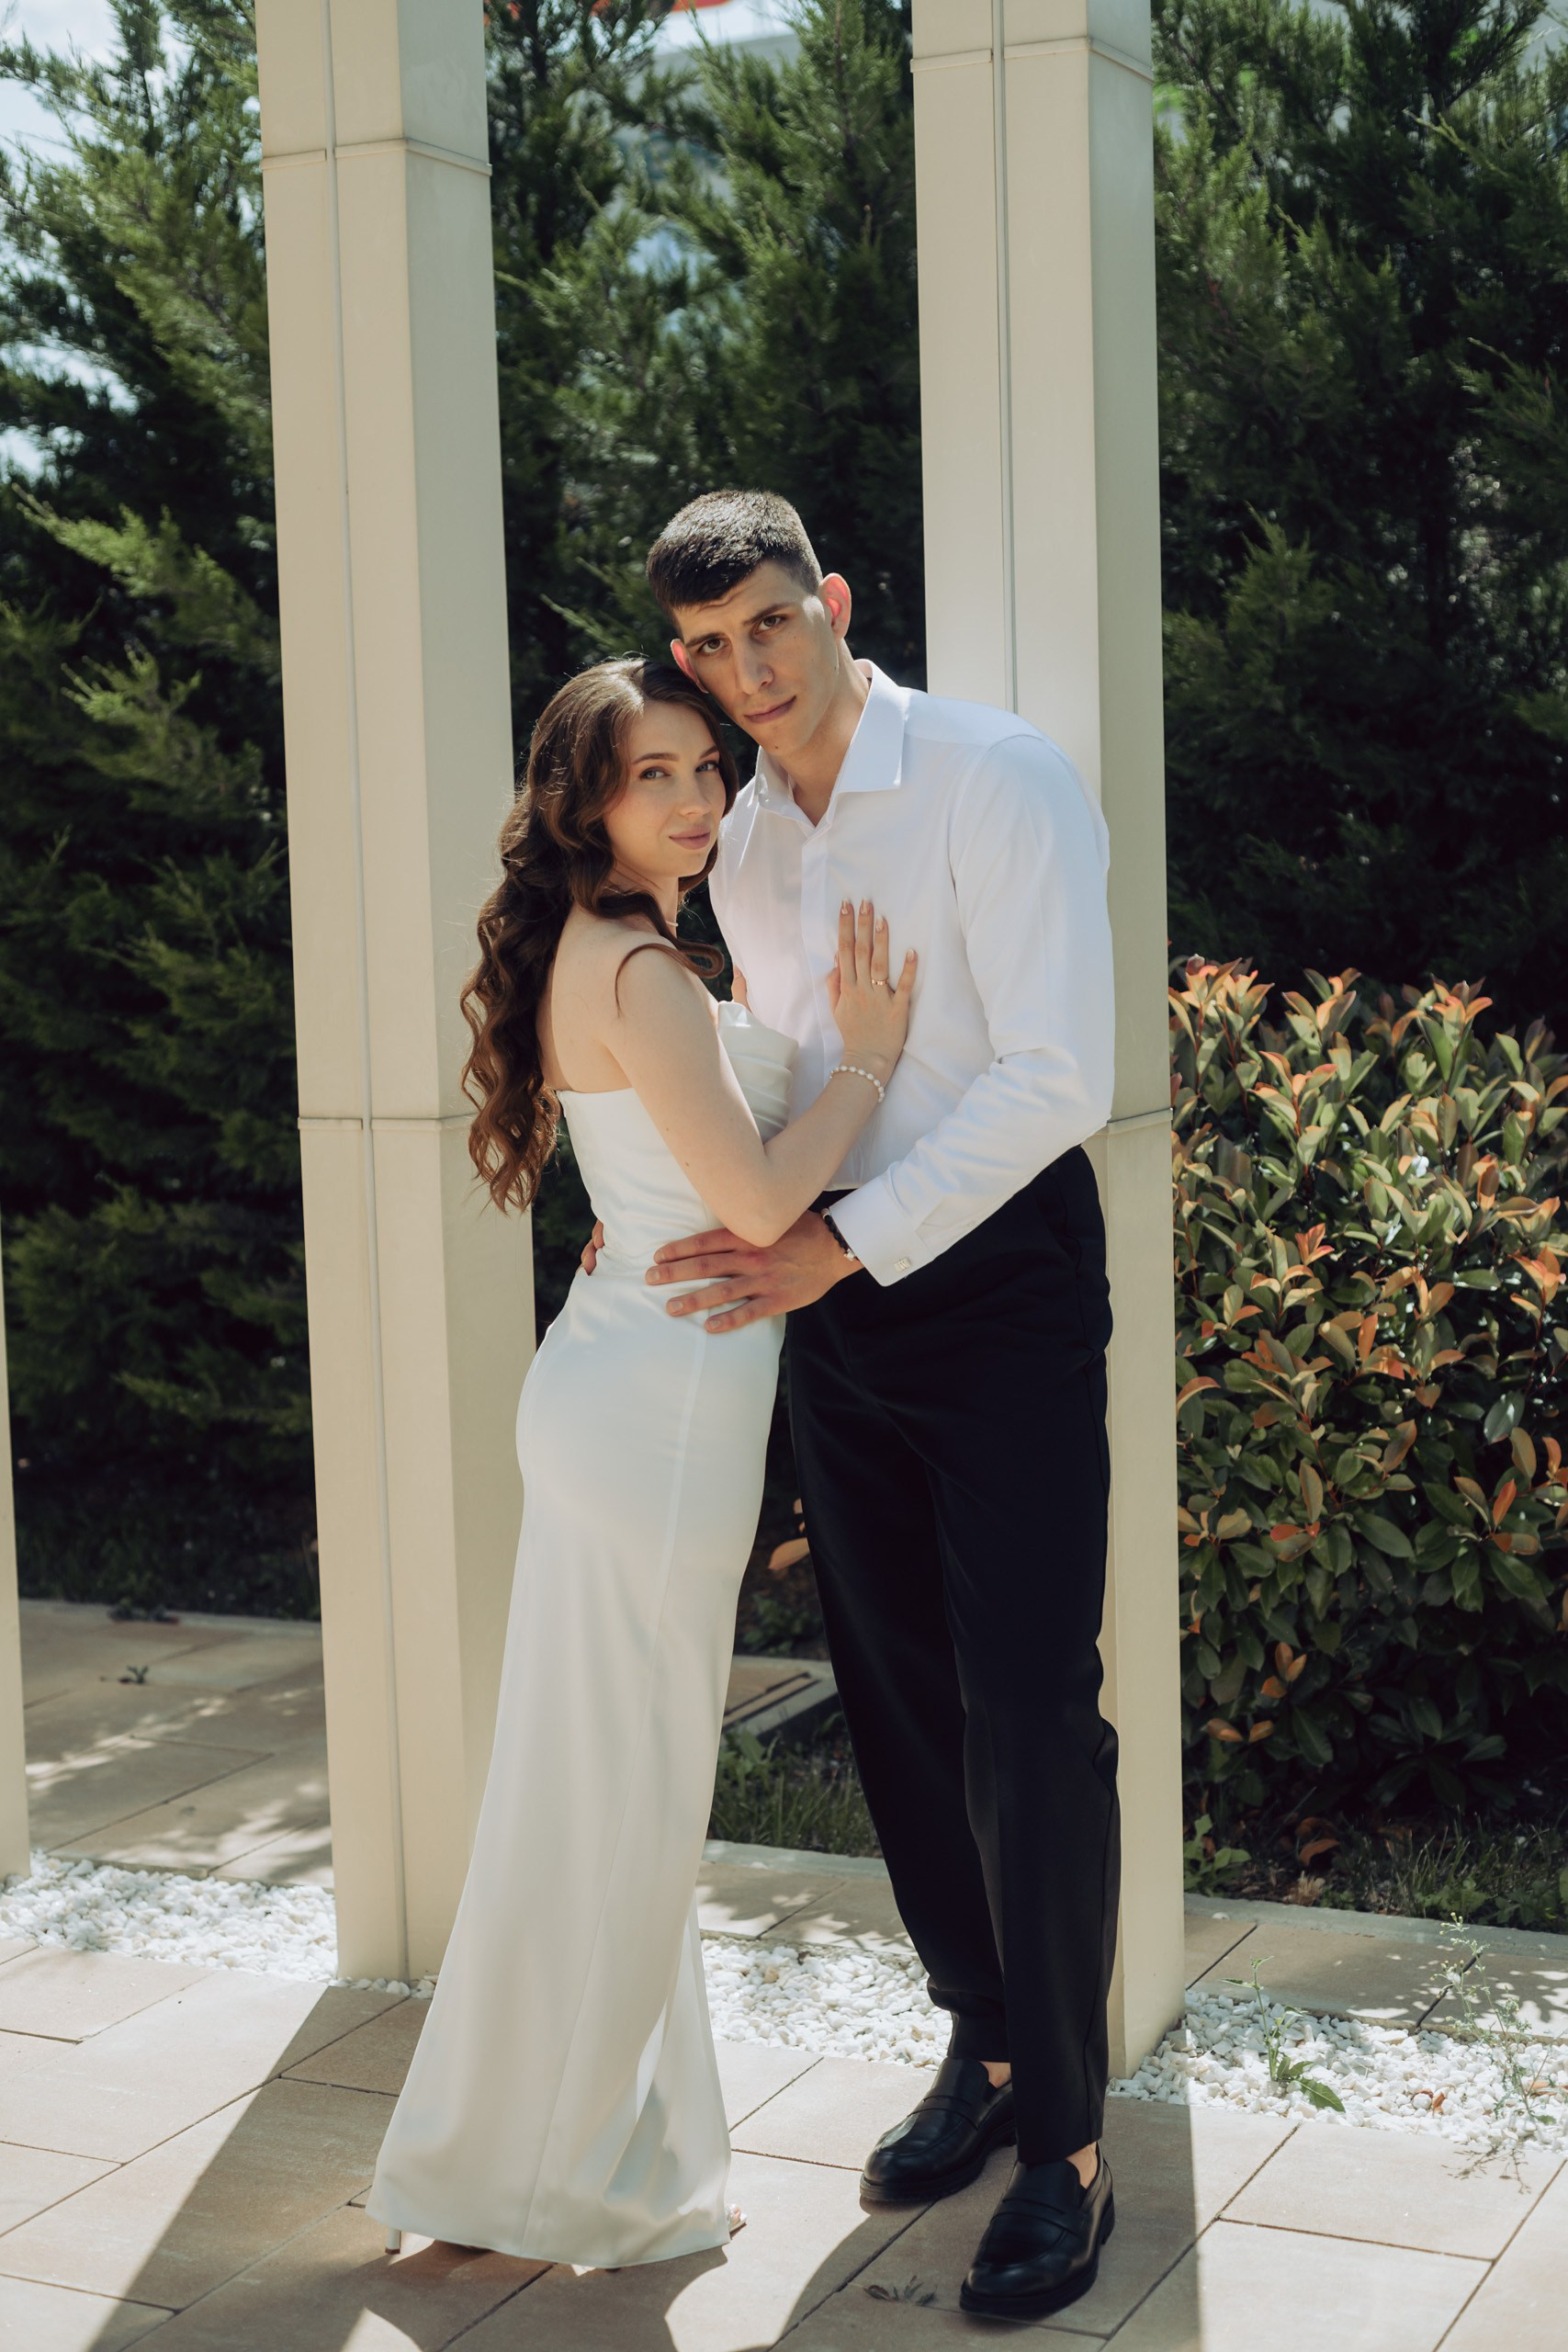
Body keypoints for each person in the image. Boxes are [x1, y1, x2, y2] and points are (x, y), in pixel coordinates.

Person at [629, 489, 1120, 2323]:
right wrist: (679, 1206)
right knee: (898, 1698)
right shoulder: (743, 841)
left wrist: (846, 1242)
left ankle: (1068, 2140)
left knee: (1027, 1711)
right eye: (707, 648)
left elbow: (1059, 1076)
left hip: (995, 1288)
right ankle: (980, 2044)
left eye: (768, 621)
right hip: (832, 1305)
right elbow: (778, 1083)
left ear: (830, 599)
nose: (745, 669)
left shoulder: (993, 776)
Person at [366, 657, 915, 2268]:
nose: (693, 799)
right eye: (651, 775)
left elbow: (673, 1178)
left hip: (627, 1376)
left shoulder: (599, 949)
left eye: (703, 769)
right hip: (658, 1413)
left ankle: (575, 2149)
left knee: (587, 1783)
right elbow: (757, 1205)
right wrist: (869, 1057)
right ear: (584, 802)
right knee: (628, 1792)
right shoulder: (644, 970)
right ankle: (551, 2174)